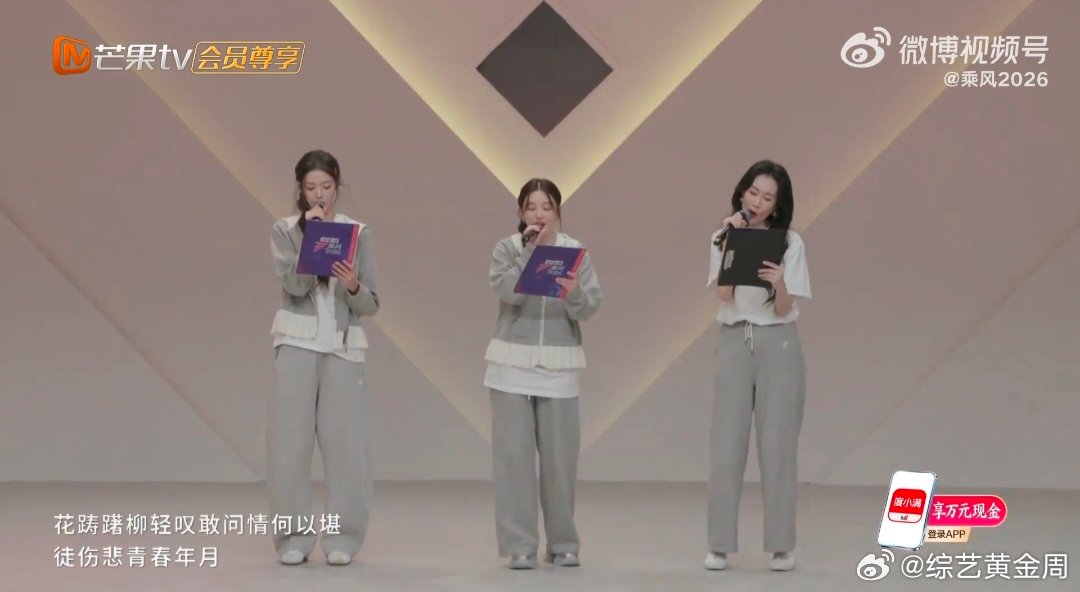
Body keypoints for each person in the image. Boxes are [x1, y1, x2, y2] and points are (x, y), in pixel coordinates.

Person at [483, 178, 603, 569]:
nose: (539, 214)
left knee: (559, 464)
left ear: (557, 212)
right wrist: (526, 253)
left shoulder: (574, 252)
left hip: (559, 367)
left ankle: (563, 543)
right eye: (531, 207)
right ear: (521, 213)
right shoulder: (507, 249)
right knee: (514, 462)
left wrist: (573, 292)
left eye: (546, 207)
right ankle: (519, 544)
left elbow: (590, 306)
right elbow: (508, 292)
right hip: (511, 367)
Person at [267, 149, 379, 566]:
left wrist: (352, 286)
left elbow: (371, 303)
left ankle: (343, 537)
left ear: (337, 186)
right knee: (289, 446)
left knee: (346, 447)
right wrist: (310, 243)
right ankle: (293, 537)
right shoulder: (285, 230)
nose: (319, 195)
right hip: (296, 344)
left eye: (326, 187)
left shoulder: (358, 233)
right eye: (311, 187)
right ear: (300, 189)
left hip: (343, 348)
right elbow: (294, 288)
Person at [703, 159, 811, 572]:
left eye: (767, 197)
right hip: (735, 338)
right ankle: (719, 544)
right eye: (753, 193)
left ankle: (782, 545)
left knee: (778, 444)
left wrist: (779, 281)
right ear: (742, 191)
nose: (758, 202)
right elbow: (724, 295)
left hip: (778, 342)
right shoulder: (721, 236)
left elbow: (784, 308)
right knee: (726, 444)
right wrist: (732, 243)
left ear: (778, 205)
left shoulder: (790, 243)